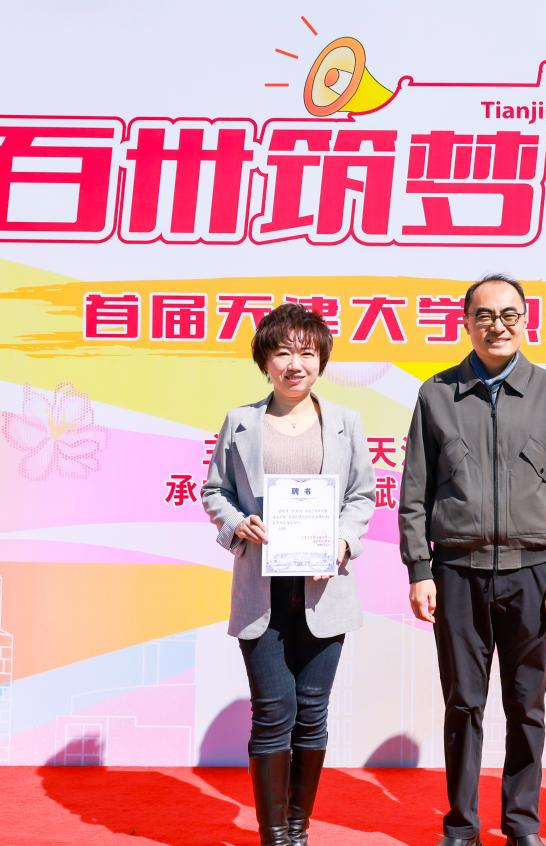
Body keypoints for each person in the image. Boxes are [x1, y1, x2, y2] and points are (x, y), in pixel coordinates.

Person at [399, 274, 546, 846]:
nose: (497, 326)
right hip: (457, 572)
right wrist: (419, 569)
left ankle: (521, 823)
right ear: (466, 323)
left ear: (525, 321)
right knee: (463, 703)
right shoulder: (437, 394)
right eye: (484, 315)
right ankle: (461, 826)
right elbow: (415, 492)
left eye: (509, 315)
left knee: (527, 704)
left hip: (532, 572)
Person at [202, 303, 376, 846]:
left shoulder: (345, 423)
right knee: (273, 710)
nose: (295, 364)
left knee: (313, 712)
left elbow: (361, 496)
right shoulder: (241, 422)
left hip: (325, 590)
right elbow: (215, 491)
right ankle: (274, 835)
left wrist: (343, 540)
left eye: (306, 352)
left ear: (321, 359)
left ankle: (298, 829)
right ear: (265, 361)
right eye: (282, 352)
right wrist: (238, 523)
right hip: (262, 590)